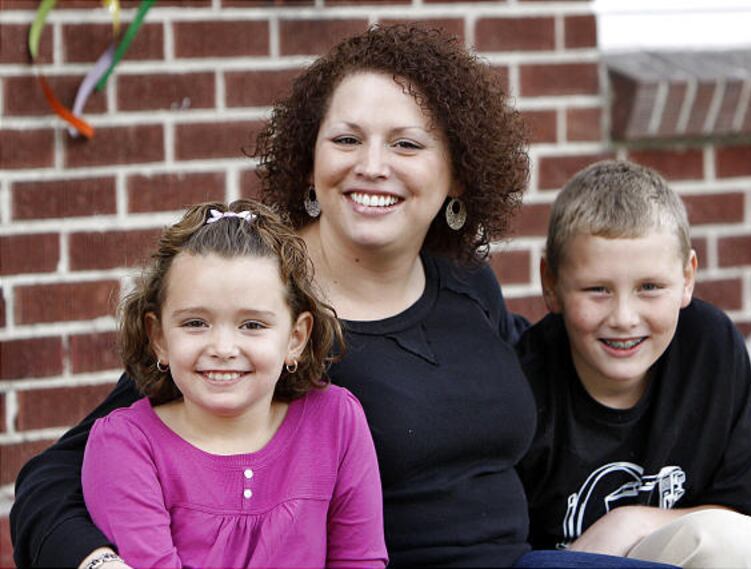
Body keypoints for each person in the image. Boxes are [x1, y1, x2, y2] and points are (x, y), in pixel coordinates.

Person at [12, 26, 672, 569]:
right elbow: (56, 477)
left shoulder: (467, 279)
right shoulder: (260, 302)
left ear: (457, 176)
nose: (372, 166)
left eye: (407, 144)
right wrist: (100, 562)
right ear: (308, 160)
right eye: (347, 139)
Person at [80, 199, 387, 568]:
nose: (223, 349)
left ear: (296, 337)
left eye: (252, 325)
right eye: (195, 323)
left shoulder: (336, 420)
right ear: (158, 336)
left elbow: (360, 560)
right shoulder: (126, 444)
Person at [515, 159, 751, 568]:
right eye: (597, 290)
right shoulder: (521, 384)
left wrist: (630, 522)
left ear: (687, 278)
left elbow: (743, 511)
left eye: (649, 287)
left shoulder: (709, 346)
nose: (624, 317)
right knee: (725, 543)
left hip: (693, 552)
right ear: (550, 284)